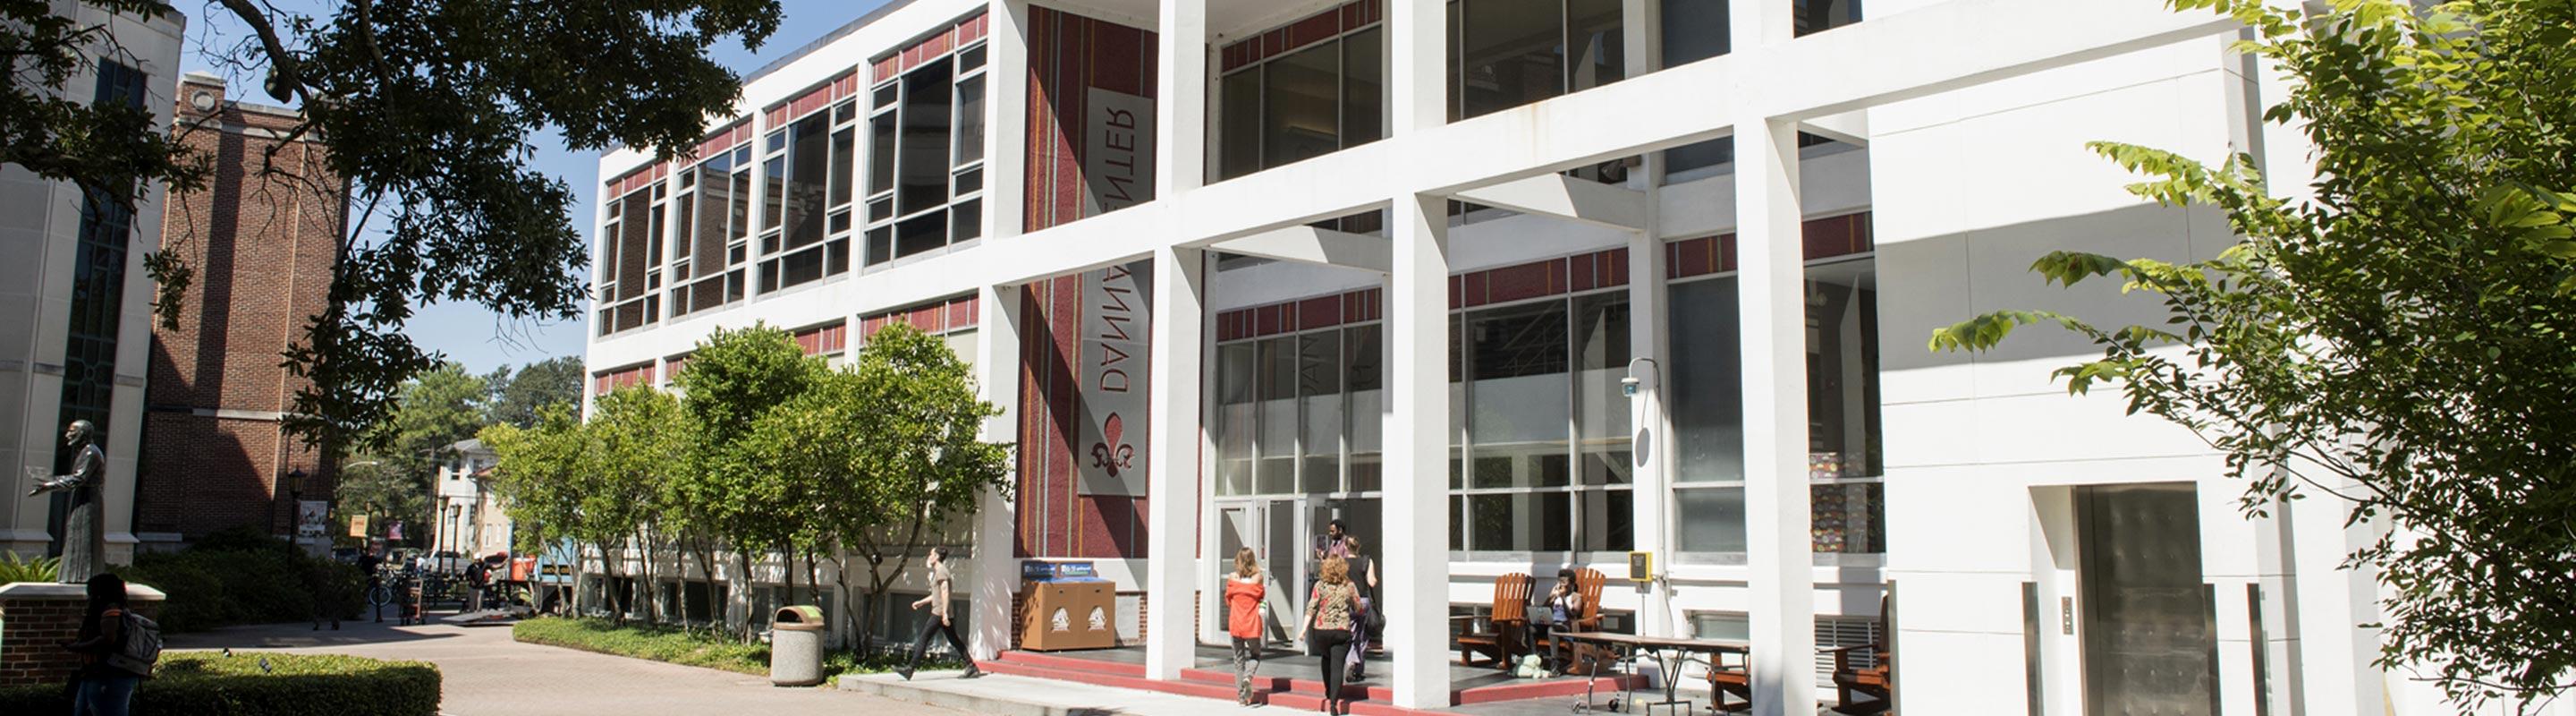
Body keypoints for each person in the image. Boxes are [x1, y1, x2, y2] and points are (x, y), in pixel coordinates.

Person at [895, 547, 981, 680]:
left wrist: (945, 613)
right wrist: (922, 602)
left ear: (936, 557)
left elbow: (945, 592)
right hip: (942, 611)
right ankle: (971, 666)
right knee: (954, 640)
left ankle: (910, 669)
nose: (929, 556)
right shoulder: (939, 571)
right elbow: (937, 594)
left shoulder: (941, 571)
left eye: (931, 554)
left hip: (939, 612)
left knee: (923, 638)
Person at [63, 573, 141, 716]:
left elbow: (108, 639)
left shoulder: (111, 611)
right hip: (96, 673)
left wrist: (79, 647)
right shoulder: (117, 610)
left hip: (108, 674)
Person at [1302, 556, 1361, 716]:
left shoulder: (1320, 586)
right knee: (1337, 666)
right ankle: (1334, 704)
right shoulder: (1349, 586)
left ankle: (1328, 691)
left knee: (1326, 658)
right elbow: (1358, 607)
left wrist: (1303, 630)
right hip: (1341, 631)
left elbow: (1311, 608)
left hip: (1321, 631)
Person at [1224, 548, 1267, 706]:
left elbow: (1228, 601)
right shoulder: (1258, 578)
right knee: (1255, 655)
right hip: (1252, 624)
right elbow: (1262, 597)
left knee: (1238, 660)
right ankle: (1248, 677)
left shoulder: (1232, 579)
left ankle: (1242, 698)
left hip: (1236, 623)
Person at [1339, 537, 1380, 683]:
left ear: (1345, 546)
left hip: (1348, 601)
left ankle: (1351, 663)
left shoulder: (1342, 562)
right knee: (1362, 636)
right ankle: (1357, 667)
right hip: (1363, 601)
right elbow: (1372, 582)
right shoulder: (1367, 561)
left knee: (1350, 633)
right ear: (1359, 546)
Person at [1535, 568, 1585, 675]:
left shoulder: (1576, 597)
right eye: (1559, 582)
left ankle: (1555, 663)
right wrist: (1551, 596)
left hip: (1566, 627)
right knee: (1531, 628)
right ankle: (1533, 658)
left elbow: (1572, 615)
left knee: (1551, 629)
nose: (1561, 585)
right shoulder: (1555, 596)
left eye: (1564, 583)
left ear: (1571, 584)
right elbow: (1544, 609)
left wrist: (1562, 599)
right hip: (1552, 623)